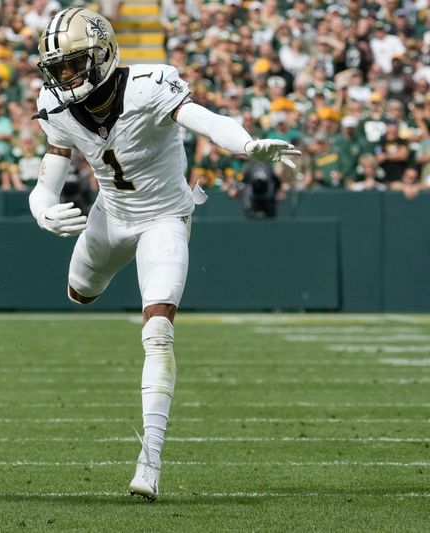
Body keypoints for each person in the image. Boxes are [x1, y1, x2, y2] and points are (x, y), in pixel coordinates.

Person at [29, 8, 301, 501]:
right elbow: (46, 178)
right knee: (79, 292)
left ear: (103, 54)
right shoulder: (57, 106)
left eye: (73, 64)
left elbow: (201, 118)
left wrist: (246, 144)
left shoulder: (149, 84)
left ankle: (149, 460)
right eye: (58, 67)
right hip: (110, 216)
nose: (64, 77)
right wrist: (42, 209)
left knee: (157, 333)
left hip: (164, 218)